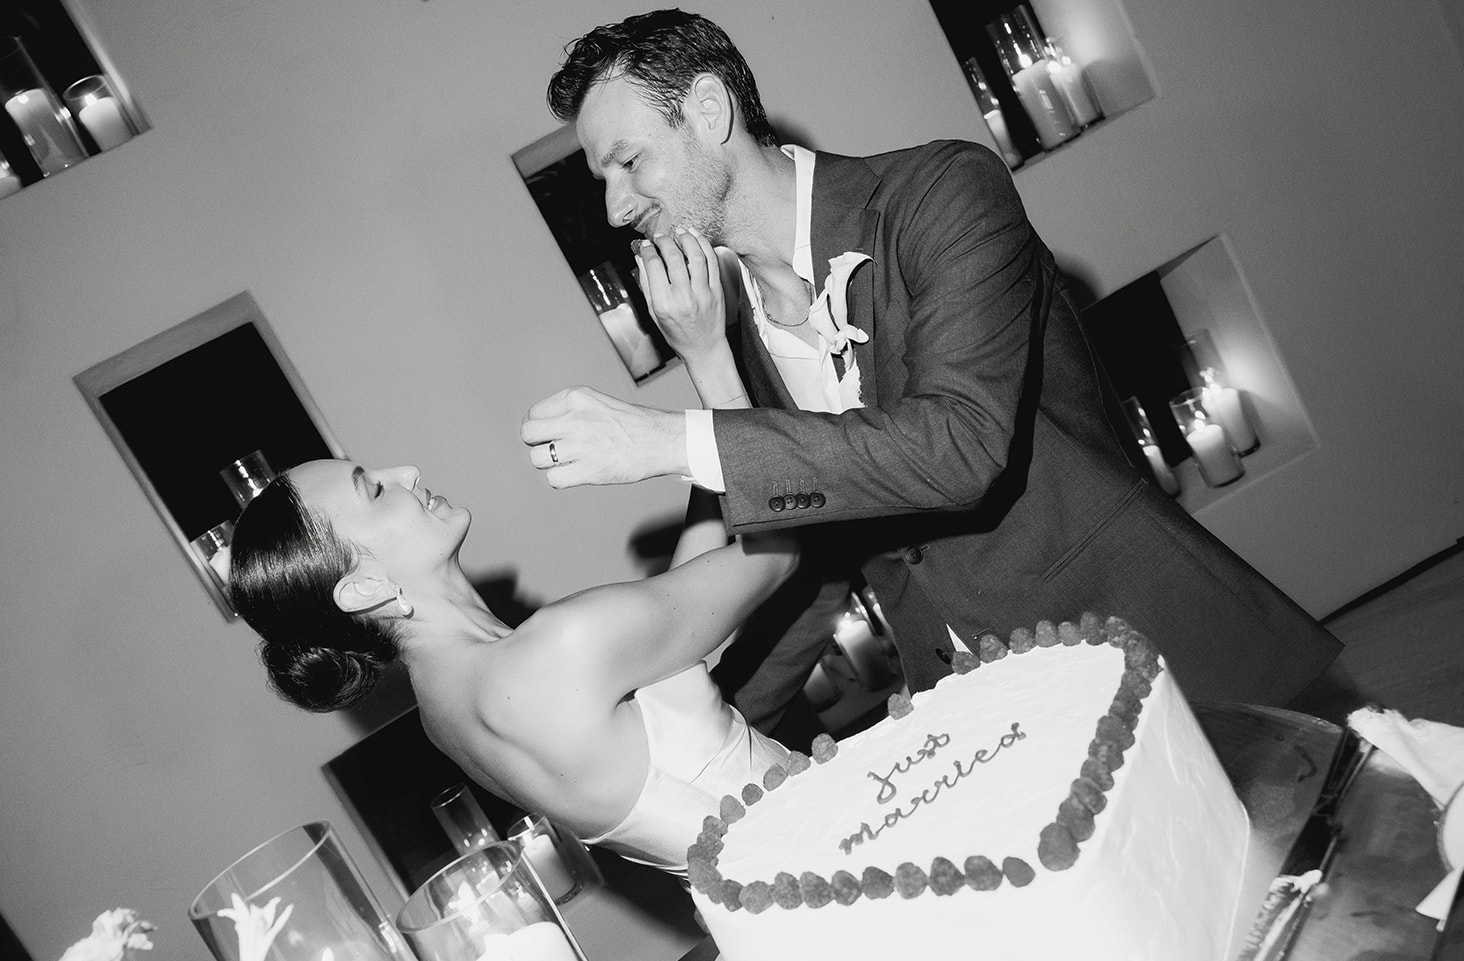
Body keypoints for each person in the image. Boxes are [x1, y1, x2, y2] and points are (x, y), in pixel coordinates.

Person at [521, 8, 1341, 715]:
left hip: (1147, 646)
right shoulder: (734, 332)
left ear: (708, 110)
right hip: (978, 708)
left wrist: (667, 441)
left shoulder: (942, 193)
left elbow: (959, 448)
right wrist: (713, 726)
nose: (618, 208)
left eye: (628, 163)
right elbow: (819, 558)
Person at [226, 459, 793, 876]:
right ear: (366, 587)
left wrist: (707, 384)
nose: (407, 471)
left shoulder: (446, 714)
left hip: (765, 914)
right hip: (828, 849)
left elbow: (679, 604)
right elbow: (784, 546)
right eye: (373, 489)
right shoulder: (555, 650)